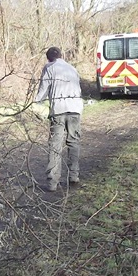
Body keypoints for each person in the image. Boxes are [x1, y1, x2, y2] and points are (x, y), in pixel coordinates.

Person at [34, 47, 84, 192]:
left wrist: (35, 103)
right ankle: (74, 175)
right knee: (73, 142)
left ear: (49, 58)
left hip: (59, 109)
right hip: (75, 108)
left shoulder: (49, 67)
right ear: (61, 56)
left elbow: (43, 90)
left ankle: (52, 182)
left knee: (55, 145)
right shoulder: (72, 68)